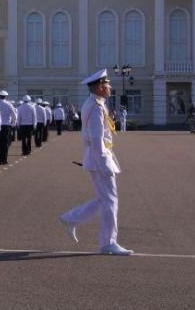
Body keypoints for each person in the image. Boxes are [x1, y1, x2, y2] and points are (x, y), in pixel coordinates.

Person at [59, 69, 133, 256]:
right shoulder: (96, 107)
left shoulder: (94, 104)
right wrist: (103, 163)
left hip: (99, 157)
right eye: (107, 84)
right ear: (100, 87)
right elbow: (96, 138)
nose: (110, 87)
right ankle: (108, 243)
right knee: (110, 200)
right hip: (100, 158)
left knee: (104, 199)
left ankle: (71, 218)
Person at [0, 90, 16, 165]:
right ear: (6, 96)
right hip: (6, 126)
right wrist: (13, 124)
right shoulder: (9, 104)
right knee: (5, 143)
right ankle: (4, 159)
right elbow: (14, 115)